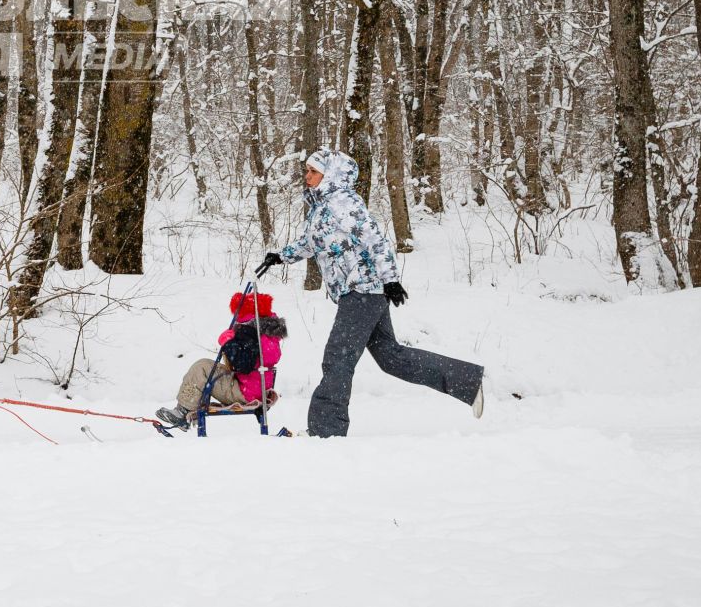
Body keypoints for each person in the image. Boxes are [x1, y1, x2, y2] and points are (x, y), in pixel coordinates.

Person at [259, 148, 484, 437]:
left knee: (338, 359)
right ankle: (466, 380)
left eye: (313, 171)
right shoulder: (323, 206)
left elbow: (374, 238)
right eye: (307, 171)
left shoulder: (342, 202)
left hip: (362, 288)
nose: (307, 176)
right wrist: (281, 256)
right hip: (361, 291)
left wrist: (390, 279)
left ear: (331, 174)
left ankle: (325, 431)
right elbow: (310, 243)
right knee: (392, 357)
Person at [155, 290, 287, 430]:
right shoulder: (268, 336)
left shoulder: (249, 331)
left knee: (202, 367)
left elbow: (242, 365)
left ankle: (182, 412)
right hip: (258, 389)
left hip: (244, 392)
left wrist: (228, 343)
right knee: (207, 367)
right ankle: (185, 410)